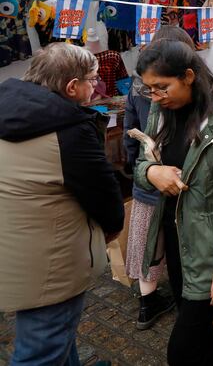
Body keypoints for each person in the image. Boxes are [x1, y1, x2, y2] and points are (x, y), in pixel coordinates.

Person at [134, 39, 213, 365]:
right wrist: (152, 172)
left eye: (162, 87)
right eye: (149, 90)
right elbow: (139, 164)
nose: (156, 97)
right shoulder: (162, 112)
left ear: (189, 76)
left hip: (211, 251)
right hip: (176, 240)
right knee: (201, 339)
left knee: (181, 351)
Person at [0, 43, 124, 366]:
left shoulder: (6, 107)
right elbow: (104, 193)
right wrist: (112, 228)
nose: (96, 87)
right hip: (49, 261)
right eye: (92, 80)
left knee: (55, 333)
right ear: (72, 87)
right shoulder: (68, 130)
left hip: (13, 246)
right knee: (40, 349)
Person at [124, 25, 195, 331]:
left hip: (150, 181)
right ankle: (185, 302)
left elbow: (130, 134)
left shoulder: (136, 86)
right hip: (173, 183)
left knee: (148, 244)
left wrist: (136, 167)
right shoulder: (180, 93)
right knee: (176, 245)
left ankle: (147, 305)